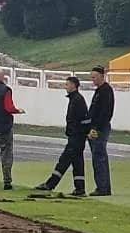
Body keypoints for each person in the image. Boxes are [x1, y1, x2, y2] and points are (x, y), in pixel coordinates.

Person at [33, 76, 89, 196]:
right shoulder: (76, 99)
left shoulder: (77, 100)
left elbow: (81, 119)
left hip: (76, 136)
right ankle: (80, 188)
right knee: (77, 162)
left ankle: (50, 184)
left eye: (67, 84)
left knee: (64, 160)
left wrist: (76, 132)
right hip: (77, 136)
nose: (65, 87)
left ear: (74, 85)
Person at [87, 65, 115, 197]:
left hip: (100, 128)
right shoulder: (99, 90)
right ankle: (101, 186)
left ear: (102, 76)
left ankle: (103, 187)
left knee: (99, 157)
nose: (93, 80)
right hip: (96, 127)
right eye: (92, 77)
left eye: (95, 77)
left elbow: (105, 113)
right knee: (97, 157)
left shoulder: (106, 91)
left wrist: (95, 128)